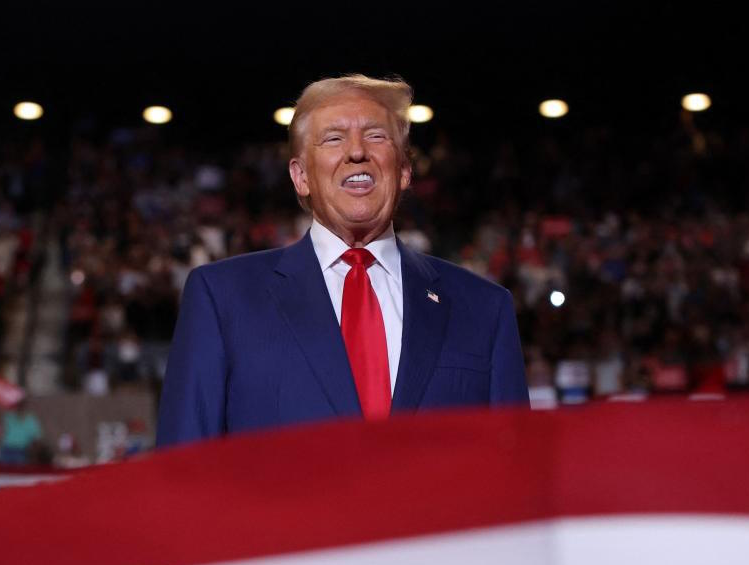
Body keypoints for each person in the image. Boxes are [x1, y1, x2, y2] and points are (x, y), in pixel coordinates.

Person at [157, 74, 528, 446]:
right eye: (334, 138)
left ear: (403, 171)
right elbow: (182, 467)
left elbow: (515, 471)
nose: (356, 151)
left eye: (376, 136)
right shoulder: (223, 298)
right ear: (301, 177)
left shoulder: (483, 308)